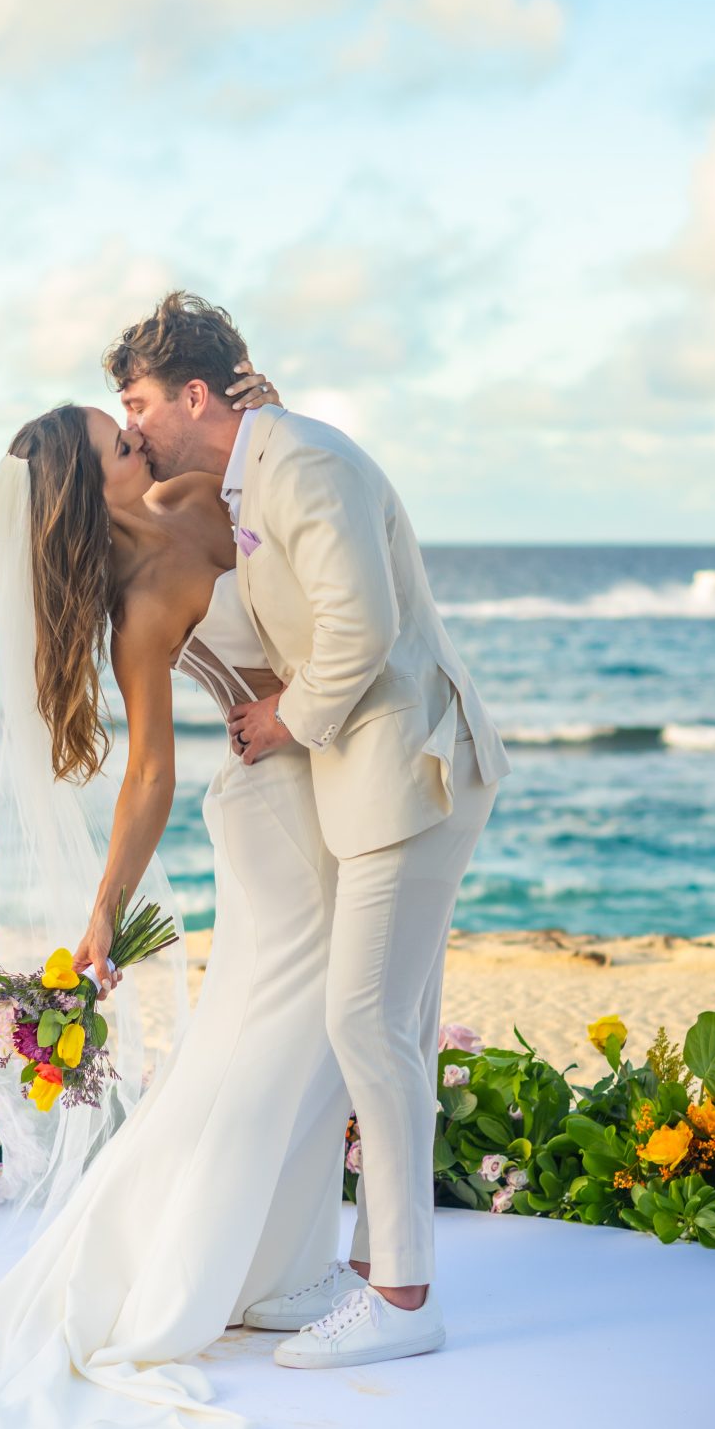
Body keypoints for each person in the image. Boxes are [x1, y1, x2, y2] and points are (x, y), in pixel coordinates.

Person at [0, 362, 360, 1429]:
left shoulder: (199, 489)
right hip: (274, 812)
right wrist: (104, 910)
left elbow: (281, 499)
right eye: (119, 443)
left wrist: (262, 413)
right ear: (89, 487)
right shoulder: (141, 606)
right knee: (270, 1048)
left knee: (310, 1039)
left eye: (133, 425)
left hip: (328, 772)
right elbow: (150, 772)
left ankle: (282, 1265)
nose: (138, 441)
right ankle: (188, 1275)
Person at [107, 292, 508, 1371]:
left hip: (408, 768)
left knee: (365, 1022)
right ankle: (379, 1274)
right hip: (368, 778)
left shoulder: (305, 463)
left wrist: (285, 717)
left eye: (139, 403)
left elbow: (360, 627)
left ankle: (404, 1300)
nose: (134, 425)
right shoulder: (257, 471)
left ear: (195, 394)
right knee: (394, 1024)